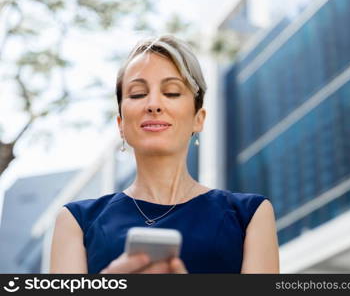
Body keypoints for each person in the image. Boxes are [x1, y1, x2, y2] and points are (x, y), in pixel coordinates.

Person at [49, 35, 280, 274]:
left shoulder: (250, 215)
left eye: (171, 92)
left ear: (198, 119)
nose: (154, 104)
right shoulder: (76, 221)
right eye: (137, 94)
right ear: (121, 124)